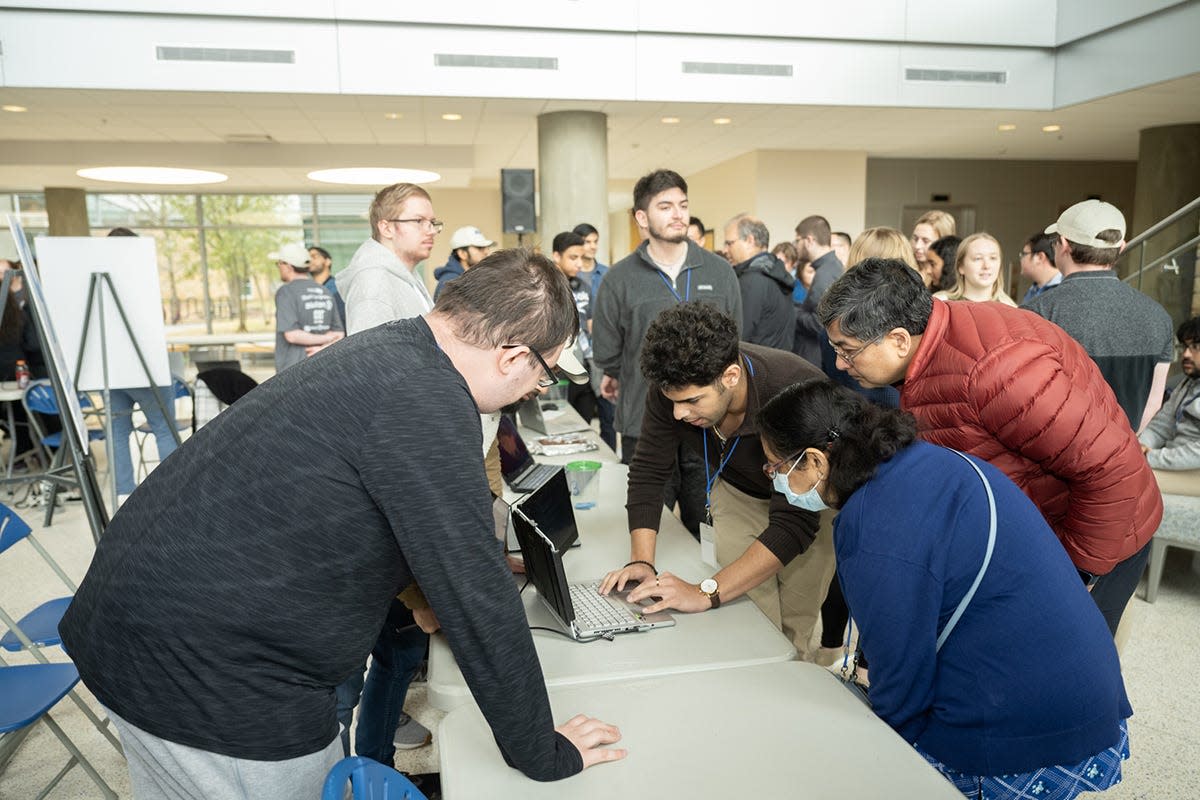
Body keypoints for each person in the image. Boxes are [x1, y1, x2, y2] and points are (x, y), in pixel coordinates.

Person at [58, 250, 625, 799]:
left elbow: (372, 508)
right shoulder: (425, 396)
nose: (533, 391)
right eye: (543, 375)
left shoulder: (394, 349)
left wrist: (435, 585)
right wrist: (542, 753)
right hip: (209, 668)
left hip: (140, 622)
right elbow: (478, 596)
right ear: (512, 356)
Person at [757, 379, 1131, 800]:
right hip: (1087, 690)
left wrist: (883, 755)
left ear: (815, 460)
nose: (774, 478)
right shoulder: (922, 459)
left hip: (1024, 729)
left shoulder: (872, 526)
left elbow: (901, 678)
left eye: (776, 467)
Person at [817, 257, 1162, 635]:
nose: (841, 363)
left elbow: (1111, 470)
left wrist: (1075, 573)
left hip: (1098, 538)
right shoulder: (937, 342)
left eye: (848, 350)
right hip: (1038, 533)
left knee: (1060, 667)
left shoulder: (998, 371)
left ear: (899, 339)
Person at [599, 302, 834, 659]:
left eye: (692, 401)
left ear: (730, 377)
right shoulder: (673, 388)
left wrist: (705, 591)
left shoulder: (793, 388)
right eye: (673, 401)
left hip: (806, 501)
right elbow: (648, 471)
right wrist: (641, 562)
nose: (679, 413)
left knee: (794, 623)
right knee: (752, 620)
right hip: (738, 492)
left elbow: (794, 524)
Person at [592, 169, 742, 539]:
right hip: (644, 422)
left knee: (708, 524)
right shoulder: (619, 279)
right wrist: (628, 375)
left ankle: (707, 593)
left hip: (710, 424)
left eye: (683, 205)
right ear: (642, 218)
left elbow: (738, 341)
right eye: (665, 206)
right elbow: (607, 352)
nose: (678, 213)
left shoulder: (720, 272)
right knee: (645, 518)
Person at [1024, 199, 1174, 432]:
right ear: (1121, 248)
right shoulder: (1159, 316)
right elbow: (1153, 403)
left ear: (1064, 245)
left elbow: (1028, 396)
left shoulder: (1038, 312)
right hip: (1124, 454)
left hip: (1058, 456)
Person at [101, 227, 181, 504]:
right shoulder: (141, 279)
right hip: (145, 367)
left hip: (109, 370)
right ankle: (172, 491)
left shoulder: (95, 278)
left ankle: (124, 493)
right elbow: (156, 321)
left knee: (117, 433)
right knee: (163, 428)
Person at [337, 182, 439, 335]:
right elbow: (371, 355)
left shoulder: (408, 277)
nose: (431, 230)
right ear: (386, 228)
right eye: (419, 221)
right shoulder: (373, 281)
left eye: (431, 222)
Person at [1139, 315, 1200, 495]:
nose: (1186, 354)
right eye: (1184, 346)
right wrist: (1139, 446)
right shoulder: (1188, 383)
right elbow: (1161, 426)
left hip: (1194, 471)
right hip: (1173, 462)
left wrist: (1151, 457)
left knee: (1128, 483)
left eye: (1195, 347)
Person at [573, 222, 616, 451]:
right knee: (582, 414)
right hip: (578, 355)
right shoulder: (571, 274)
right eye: (587, 241)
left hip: (602, 351)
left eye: (595, 241)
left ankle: (611, 458)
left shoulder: (607, 273)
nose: (592, 246)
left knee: (609, 415)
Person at [724, 214, 795, 351]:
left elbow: (740, 336)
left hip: (758, 366)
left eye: (729, 243)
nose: (725, 250)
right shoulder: (776, 271)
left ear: (750, 240)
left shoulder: (752, 280)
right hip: (779, 364)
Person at [272, 242, 344, 373]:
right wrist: (326, 343)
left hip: (292, 371)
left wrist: (325, 339)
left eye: (279, 264)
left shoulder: (286, 292)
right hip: (323, 368)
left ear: (287, 266)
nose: (279, 268)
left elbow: (292, 335)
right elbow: (339, 334)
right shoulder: (324, 291)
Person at [552, 230, 599, 423]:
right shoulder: (545, 287)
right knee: (560, 425)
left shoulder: (583, 287)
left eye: (581, 258)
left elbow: (590, 326)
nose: (579, 263)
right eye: (573, 258)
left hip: (584, 367)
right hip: (558, 371)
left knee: (585, 426)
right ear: (556, 256)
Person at [791, 214, 844, 366]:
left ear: (809, 240)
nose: (795, 246)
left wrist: (793, 310)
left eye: (797, 240)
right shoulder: (831, 267)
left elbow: (819, 324)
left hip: (816, 357)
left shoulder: (825, 274)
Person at [932, 232, 1016, 306]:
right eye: (978, 258)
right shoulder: (941, 303)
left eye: (993, 258)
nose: (986, 266)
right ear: (960, 266)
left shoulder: (1011, 308)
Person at [434, 225, 495, 300]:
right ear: (462, 253)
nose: (486, 252)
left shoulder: (473, 279)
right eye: (479, 248)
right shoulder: (451, 283)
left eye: (486, 248)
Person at [910, 209, 956, 288]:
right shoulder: (906, 269)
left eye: (925, 241)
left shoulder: (953, 278)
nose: (917, 246)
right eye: (915, 239)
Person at [1018, 231, 1061, 304]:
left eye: (1024, 254)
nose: (1021, 259)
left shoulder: (1064, 289)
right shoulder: (1034, 289)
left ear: (1040, 257)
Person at [308, 245, 346, 323]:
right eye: (308, 258)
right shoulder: (307, 290)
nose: (310, 260)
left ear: (328, 261)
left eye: (314, 256)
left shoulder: (338, 287)